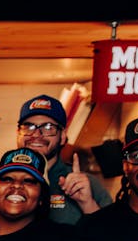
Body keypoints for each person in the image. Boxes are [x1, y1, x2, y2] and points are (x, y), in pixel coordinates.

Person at [14, 94, 111, 225]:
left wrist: (87, 203)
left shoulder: (87, 185)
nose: (36, 134)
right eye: (29, 126)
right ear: (18, 133)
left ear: (63, 136)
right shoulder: (0, 184)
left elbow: (111, 236)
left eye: (48, 128)